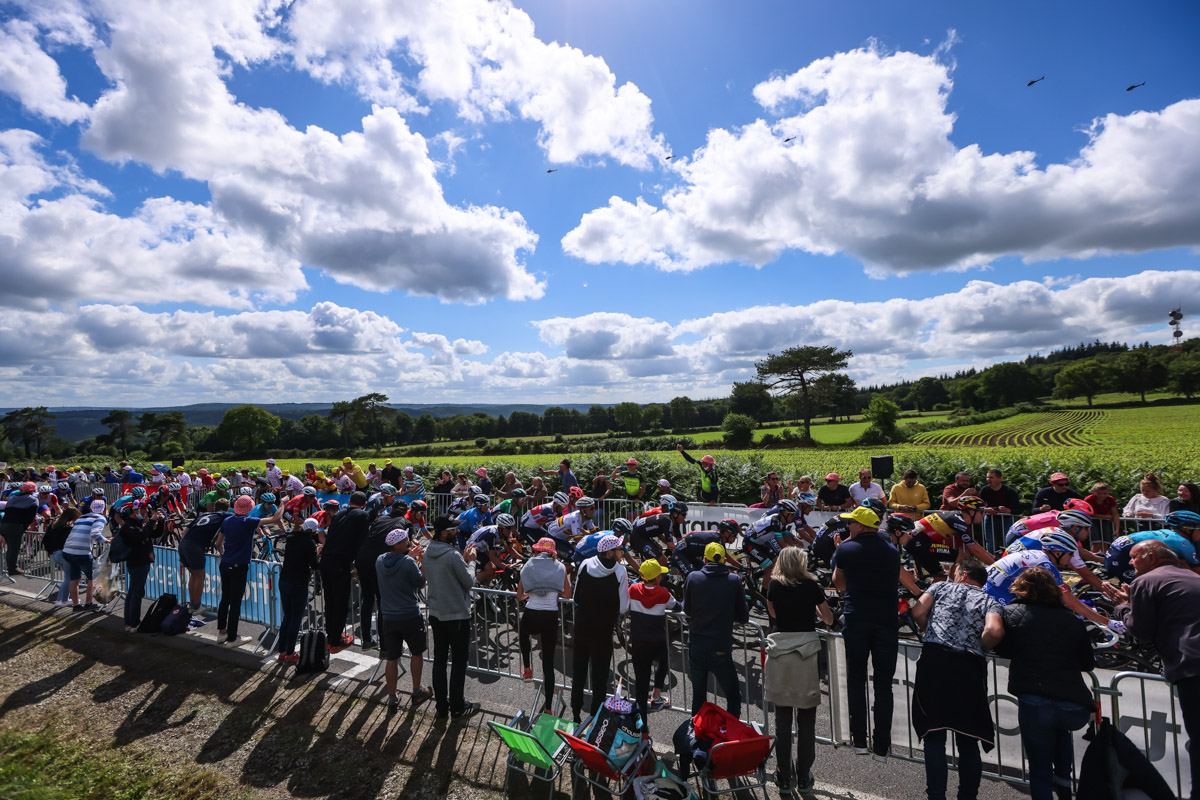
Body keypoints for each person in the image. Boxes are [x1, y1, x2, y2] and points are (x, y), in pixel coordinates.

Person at [994, 567, 1096, 800]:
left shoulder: (1011, 612)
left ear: (1021, 588)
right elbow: (1087, 663)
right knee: (1060, 735)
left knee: (1039, 770)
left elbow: (1003, 648)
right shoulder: (1071, 619)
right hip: (1072, 702)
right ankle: (1064, 785)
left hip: (1034, 697)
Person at [832, 506, 924, 759]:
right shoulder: (891, 551)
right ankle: (882, 746)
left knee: (856, 679)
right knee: (884, 684)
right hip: (885, 620)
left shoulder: (846, 548)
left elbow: (838, 584)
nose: (848, 526)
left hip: (857, 617)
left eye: (851, 523)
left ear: (861, 526)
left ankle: (860, 740)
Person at [1111, 540, 1200, 800]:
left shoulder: (1146, 582)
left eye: (1134, 556)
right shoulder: (1193, 577)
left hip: (1192, 667)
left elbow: (1142, 632)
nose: (1130, 562)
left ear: (1150, 557)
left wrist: (1123, 607)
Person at [910, 560, 1004, 800]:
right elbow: (994, 631)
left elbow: (918, 611)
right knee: (968, 739)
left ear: (962, 575)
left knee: (934, 734)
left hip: (935, 659)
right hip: (968, 664)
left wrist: (927, 630)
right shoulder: (990, 601)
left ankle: (936, 796)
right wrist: (979, 647)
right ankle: (967, 796)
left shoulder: (940, 588)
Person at [765, 546, 834, 796]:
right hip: (806, 652)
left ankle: (784, 776)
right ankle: (804, 776)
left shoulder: (775, 585)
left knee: (782, 719)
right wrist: (812, 609)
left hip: (781, 650)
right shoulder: (811, 586)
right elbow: (828, 620)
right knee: (807, 720)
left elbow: (773, 612)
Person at [423, 515, 481, 719]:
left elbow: (446, 574)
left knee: (439, 660)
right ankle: (457, 706)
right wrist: (471, 562)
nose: (456, 532)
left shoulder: (429, 550)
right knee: (458, 662)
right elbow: (468, 581)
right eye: (452, 530)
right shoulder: (452, 555)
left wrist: (463, 561)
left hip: (437, 613)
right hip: (456, 616)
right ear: (443, 532)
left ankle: (441, 707)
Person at [684, 541, 749, 717]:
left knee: (699, 696)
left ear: (705, 559)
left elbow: (687, 610)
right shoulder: (734, 580)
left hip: (696, 644)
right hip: (720, 646)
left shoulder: (693, 577)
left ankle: (696, 736)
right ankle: (730, 737)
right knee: (734, 696)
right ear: (723, 560)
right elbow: (744, 617)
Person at [571, 534, 629, 723]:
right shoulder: (620, 571)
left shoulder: (586, 564)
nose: (623, 552)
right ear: (610, 552)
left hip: (581, 628)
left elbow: (576, 597)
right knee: (600, 678)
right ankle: (595, 718)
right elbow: (623, 608)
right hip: (603, 632)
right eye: (620, 549)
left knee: (578, 674)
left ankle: (575, 714)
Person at [376, 527, 433, 711]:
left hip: (388, 616)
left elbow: (397, 563)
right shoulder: (408, 562)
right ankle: (416, 691)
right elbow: (421, 581)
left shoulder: (380, 560)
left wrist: (408, 555)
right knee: (417, 653)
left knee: (391, 658)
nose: (409, 541)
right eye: (406, 540)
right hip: (409, 615)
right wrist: (420, 559)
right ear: (399, 544)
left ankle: (392, 697)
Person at [215, 495, 283, 646]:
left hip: (225, 563)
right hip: (239, 565)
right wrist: (282, 503)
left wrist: (223, 553)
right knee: (235, 603)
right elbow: (275, 518)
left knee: (225, 599)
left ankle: (222, 632)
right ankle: (233, 638)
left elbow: (218, 542)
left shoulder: (227, 520)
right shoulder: (248, 521)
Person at [518, 537, 572, 715]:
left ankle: (527, 667)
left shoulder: (528, 565)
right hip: (550, 615)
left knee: (523, 631)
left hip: (532, 612)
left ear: (537, 550)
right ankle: (548, 708)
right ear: (553, 552)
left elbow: (519, 596)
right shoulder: (560, 567)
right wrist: (552, 591)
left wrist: (532, 592)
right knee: (548, 664)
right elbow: (567, 593)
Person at [628, 559, 680, 728]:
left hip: (638, 642)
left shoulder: (633, 589)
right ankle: (657, 694)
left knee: (641, 686)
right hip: (657, 641)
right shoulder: (664, 593)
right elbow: (677, 607)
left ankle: (642, 728)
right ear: (657, 578)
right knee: (663, 663)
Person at [319, 491, 370, 653]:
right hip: (340, 563)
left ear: (349, 501)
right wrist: (358, 566)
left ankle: (331, 635)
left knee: (330, 600)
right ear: (364, 503)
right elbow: (361, 543)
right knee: (340, 603)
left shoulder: (339, 514)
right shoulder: (362, 516)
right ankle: (335, 640)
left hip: (326, 560)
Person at [355, 501, 408, 650]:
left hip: (363, 558)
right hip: (379, 562)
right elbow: (403, 546)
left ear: (391, 509)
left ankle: (366, 639)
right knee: (382, 602)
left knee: (368, 599)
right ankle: (385, 644)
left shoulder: (380, 519)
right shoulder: (405, 522)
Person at [277, 518, 321, 663]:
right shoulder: (309, 544)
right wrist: (317, 552)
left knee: (287, 617)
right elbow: (314, 565)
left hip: (284, 580)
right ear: (314, 530)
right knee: (296, 618)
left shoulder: (291, 538)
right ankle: (290, 653)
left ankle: (282, 651)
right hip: (298, 583)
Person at [179, 499, 232, 616]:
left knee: (193, 575)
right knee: (199, 577)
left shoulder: (204, 514)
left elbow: (183, 533)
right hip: (195, 546)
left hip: (183, 544)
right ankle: (196, 606)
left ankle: (192, 605)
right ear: (227, 508)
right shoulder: (224, 514)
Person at [120, 503, 167, 632]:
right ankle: (133, 623)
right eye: (141, 509)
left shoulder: (137, 524)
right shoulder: (128, 526)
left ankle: (129, 623)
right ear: (131, 512)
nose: (145, 511)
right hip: (137, 562)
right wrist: (151, 521)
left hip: (141, 562)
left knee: (133, 592)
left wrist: (161, 522)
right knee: (136, 593)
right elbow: (141, 535)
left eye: (146, 509)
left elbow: (154, 534)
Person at [62, 498, 110, 610]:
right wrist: (106, 541)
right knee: (92, 577)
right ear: (104, 510)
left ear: (90, 508)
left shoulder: (81, 517)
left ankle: (76, 605)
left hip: (68, 550)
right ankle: (88, 603)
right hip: (81, 552)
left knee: (74, 579)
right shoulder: (100, 518)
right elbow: (95, 533)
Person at [42, 507, 79, 607]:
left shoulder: (53, 526)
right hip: (63, 553)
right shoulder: (68, 529)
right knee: (70, 578)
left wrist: (49, 551)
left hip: (54, 554)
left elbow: (44, 540)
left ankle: (61, 600)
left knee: (67, 577)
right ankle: (63, 600)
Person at [1, 481, 38, 576]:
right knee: (13, 549)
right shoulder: (33, 500)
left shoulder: (13, 498)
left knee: (8, 548)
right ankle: (12, 569)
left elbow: (7, 511)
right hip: (16, 526)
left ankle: (8, 567)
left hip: (4, 524)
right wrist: (23, 528)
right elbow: (30, 517)